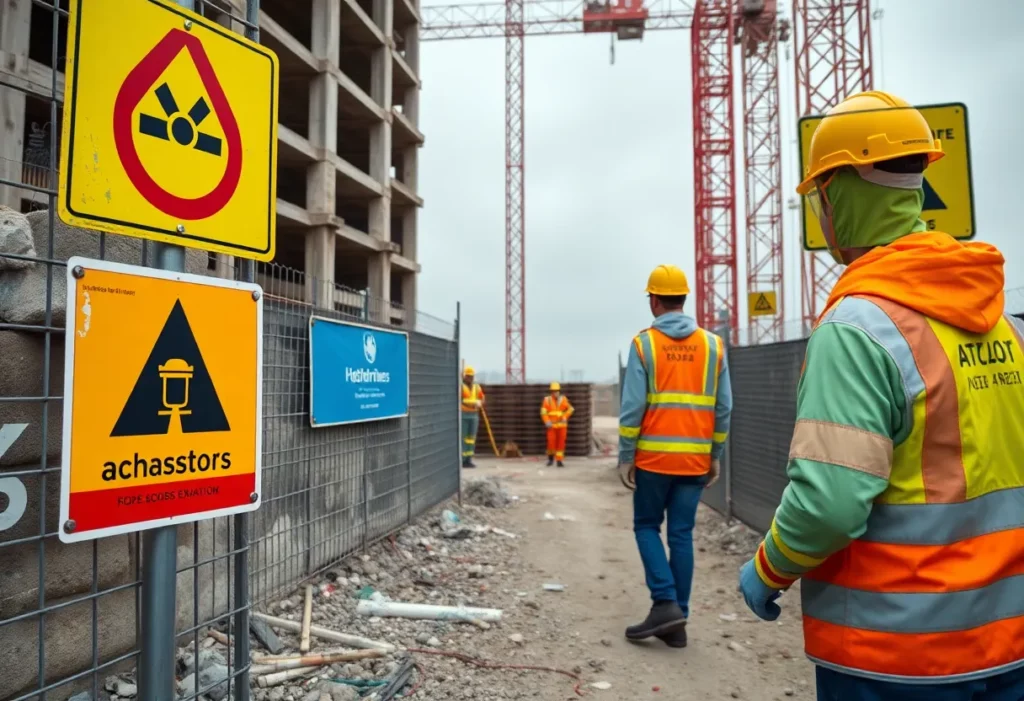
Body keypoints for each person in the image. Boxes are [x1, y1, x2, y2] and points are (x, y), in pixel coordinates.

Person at [738, 90, 1024, 699]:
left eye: (819, 198)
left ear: (839, 192)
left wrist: (769, 568)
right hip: (1009, 644)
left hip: (896, 656)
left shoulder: (857, 329)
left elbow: (831, 503)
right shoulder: (999, 321)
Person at [618, 264, 733, 648]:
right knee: (681, 534)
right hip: (695, 462)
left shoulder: (644, 345)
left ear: (653, 300)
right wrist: (715, 454)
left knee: (646, 526)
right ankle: (677, 622)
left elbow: (633, 407)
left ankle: (665, 602)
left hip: (653, 460)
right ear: (684, 299)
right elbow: (724, 407)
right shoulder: (713, 346)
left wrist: (625, 454)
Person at [541, 382, 574, 467]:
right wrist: (547, 421)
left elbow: (571, 409)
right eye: (553, 391)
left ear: (559, 391)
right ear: (551, 391)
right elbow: (543, 412)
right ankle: (550, 459)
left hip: (562, 426)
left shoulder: (563, 399)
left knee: (561, 444)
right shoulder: (547, 400)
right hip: (551, 426)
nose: (555, 392)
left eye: (556, 391)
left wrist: (565, 416)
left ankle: (559, 461)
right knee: (551, 443)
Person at [461, 366, 485, 468]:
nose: (470, 378)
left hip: (474, 415)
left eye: (471, 376)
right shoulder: (460, 387)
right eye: (468, 376)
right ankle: (462, 460)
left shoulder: (477, 387)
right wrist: (473, 403)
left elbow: (482, 397)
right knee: (463, 438)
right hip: (463, 414)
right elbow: (461, 400)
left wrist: (480, 403)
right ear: (464, 376)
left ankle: (468, 459)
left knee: (471, 438)